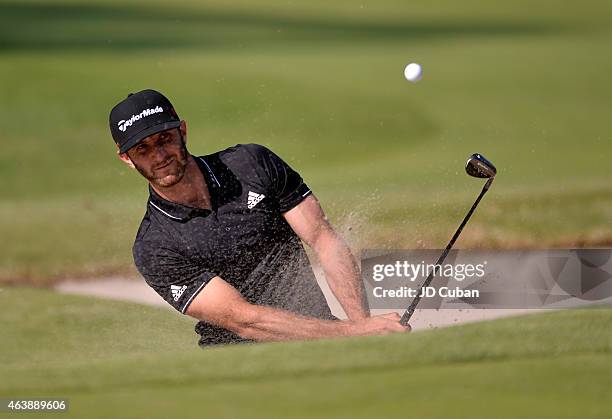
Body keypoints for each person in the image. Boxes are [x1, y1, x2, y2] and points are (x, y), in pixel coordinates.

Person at [109, 89, 410, 347]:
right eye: (143, 149)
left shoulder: (250, 164)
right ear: (126, 158)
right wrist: (350, 332)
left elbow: (323, 240)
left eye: (165, 139)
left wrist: (364, 327)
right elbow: (244, 320)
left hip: (324, 338)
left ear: (183, 131)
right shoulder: (155, 246)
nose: (160, 155)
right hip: (243, 363)